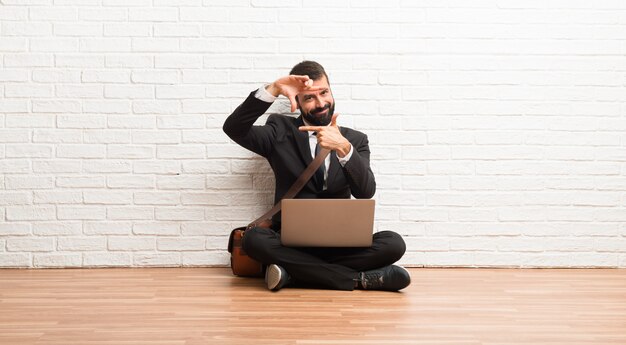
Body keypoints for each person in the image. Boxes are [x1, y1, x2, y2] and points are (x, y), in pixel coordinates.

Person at [223, 61, 410, 292]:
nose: (321, 103)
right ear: (298, 102)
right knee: (255, 240)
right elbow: (234, 128)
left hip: (342, 242)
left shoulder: (356, 140)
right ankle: (358, 279)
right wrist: (273, 89)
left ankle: (292, 273)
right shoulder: (279, 131)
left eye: (324, 93)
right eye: (310, 98)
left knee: (393, 243)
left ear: (331, 90)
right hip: (291, 242)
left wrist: (343, 148)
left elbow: (365, 191)